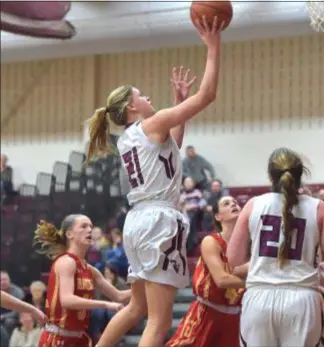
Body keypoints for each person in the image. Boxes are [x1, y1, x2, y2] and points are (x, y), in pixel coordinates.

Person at [86, 16, 224, 347]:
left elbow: (171, 144)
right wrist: (214, 45)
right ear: (133, 106)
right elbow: (207, 96)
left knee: (136, 308)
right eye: (142, 94)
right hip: (160, 221)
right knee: (159, 321)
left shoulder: (130, 137)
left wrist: (178, 103)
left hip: (137, 222)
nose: (148, 97)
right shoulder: (153, 123)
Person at [227, 147, 324, 347]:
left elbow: (233, 260)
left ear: (270, 175)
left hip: (259, 299)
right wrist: (321, 262)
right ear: (301, 174)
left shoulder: (253, 205)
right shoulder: (318, 207)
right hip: (302, 301)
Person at [33, 214, 130, 347]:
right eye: (84, 226)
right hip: (58, 339)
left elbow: (119, 296)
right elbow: (67, 299)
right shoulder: (66, 262)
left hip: (80, 339)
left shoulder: (89, 269)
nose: (89, 229)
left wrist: (147, 286)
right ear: (69, 234)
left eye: (90, 226)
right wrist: (106, 305)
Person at [166, 196, 245, 347]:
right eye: (226, 203)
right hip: (207, 312)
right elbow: (221, 280)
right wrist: (255, 282)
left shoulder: (248, 244)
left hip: (234, 317)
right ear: (218, 216)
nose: (233, 204)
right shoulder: (211, 241)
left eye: (235, 202)